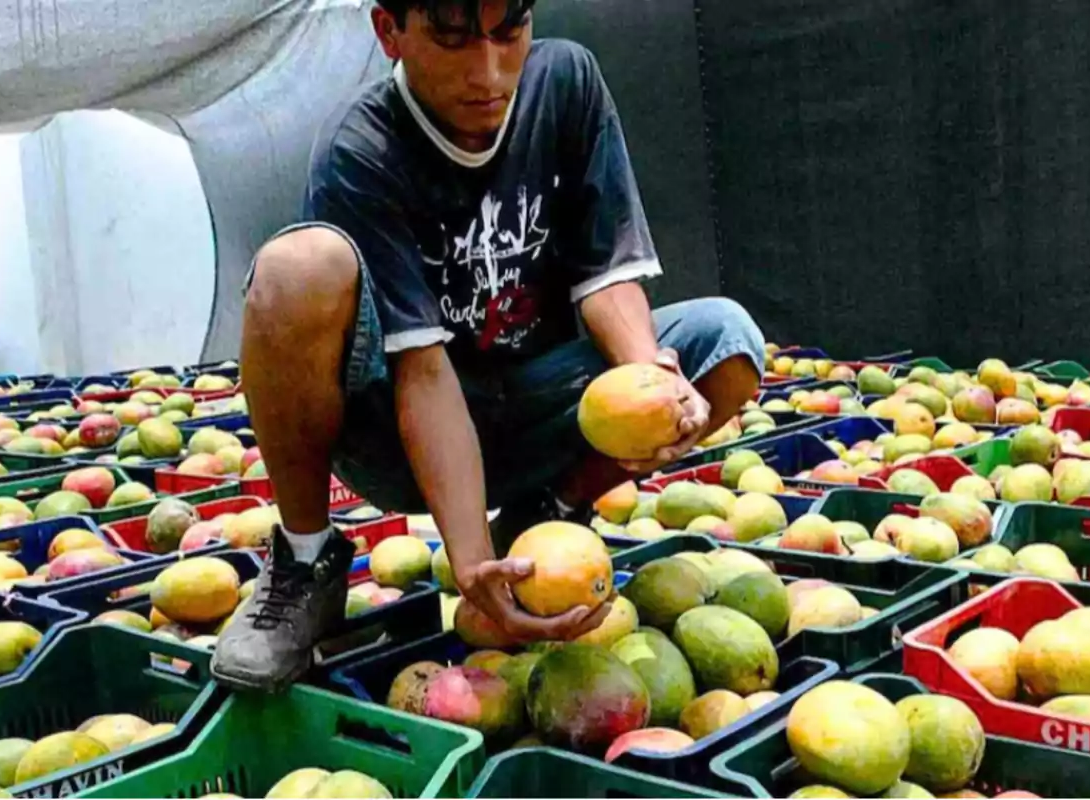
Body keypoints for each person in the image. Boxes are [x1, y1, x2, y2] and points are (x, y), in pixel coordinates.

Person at [212, 0, 765, 692]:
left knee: (726, 343)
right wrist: (470, 562)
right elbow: (423, 372)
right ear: (390, 32)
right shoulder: (364, 148)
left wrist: (648, 377)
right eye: (452, 38)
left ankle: (550, 510)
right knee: (297, 270)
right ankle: (304, 562)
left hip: (540, 406)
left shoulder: (566, 84)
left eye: (510, 32)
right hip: (407, 434)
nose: (490, 71)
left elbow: (607, 279)